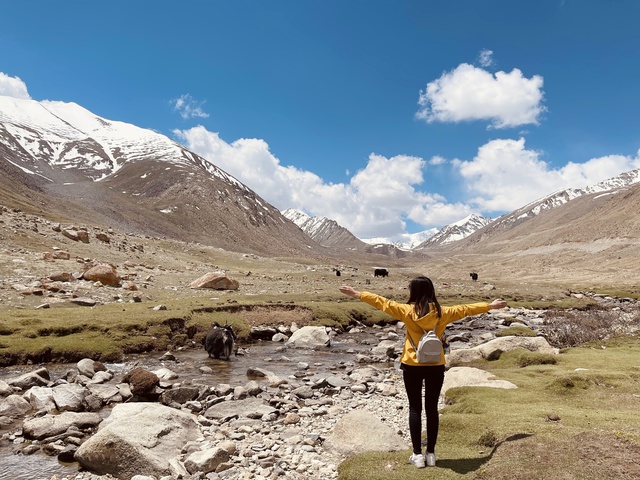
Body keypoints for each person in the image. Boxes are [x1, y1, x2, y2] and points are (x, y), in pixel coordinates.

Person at [339, 276, 507, 469]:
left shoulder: (406, 311)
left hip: (412, 364)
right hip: (435, 364)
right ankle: (432, 454)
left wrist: (357, 294)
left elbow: (382, 302)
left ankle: (417, 455)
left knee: (414, 409)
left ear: (414, 292)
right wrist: (490, 305)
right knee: (432, 408)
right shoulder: (443, 312)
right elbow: (466, 309)